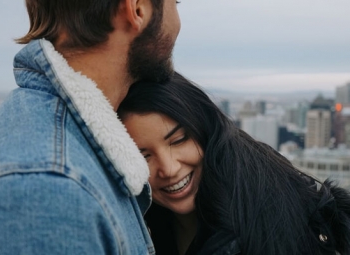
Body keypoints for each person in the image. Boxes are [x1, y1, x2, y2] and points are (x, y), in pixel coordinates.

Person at [0, 0, 181, 254]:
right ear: (136, 9)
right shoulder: (47, 193)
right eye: (176, 2)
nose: (178, 20)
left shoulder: (59, 162)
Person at [118, 72, 350, 255]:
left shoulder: (269, 216)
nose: (169, 169)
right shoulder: (138, 222)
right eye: (143, 156)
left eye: (179, 140)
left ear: (206, 130)